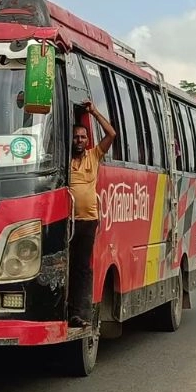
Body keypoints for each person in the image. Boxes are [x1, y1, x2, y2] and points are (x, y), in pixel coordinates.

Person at [68, 101, 116, 328]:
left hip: (88, 222)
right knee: (65, 266)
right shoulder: (64, 160)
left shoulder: (94, 155)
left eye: (82, 137)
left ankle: (80, 313)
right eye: (75, 137)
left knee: (82, 268)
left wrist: (95, 112)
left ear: (88, 140)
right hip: (67, 222)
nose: (79, 140)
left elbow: (111, 134)